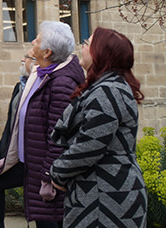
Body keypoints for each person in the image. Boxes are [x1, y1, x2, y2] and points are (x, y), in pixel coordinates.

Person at [0, 21, 83, 228]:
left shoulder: (61, 83)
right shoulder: (39, 75)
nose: (32, 41)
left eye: (37, 39)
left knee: (47, 219)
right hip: (28, 161)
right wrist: (6, 159)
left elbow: (57, 137)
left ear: (47, 52)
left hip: (45, 167)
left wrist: (47, 177)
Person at [50, 28, 147, 228]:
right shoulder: (106, 87)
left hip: (108, 196)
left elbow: (90, 146)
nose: (82, 46)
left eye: (87, 43)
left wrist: (57, 172)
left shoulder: (108, 91)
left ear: (100, 53)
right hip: (99, 192)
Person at [0, 49, 35, 226]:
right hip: (17, 158)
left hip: (35, 162)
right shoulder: (20, 87)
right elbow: (10, 128)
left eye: (26, 57)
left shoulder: (39, 87)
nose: (22, 59)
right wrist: (0, 158)